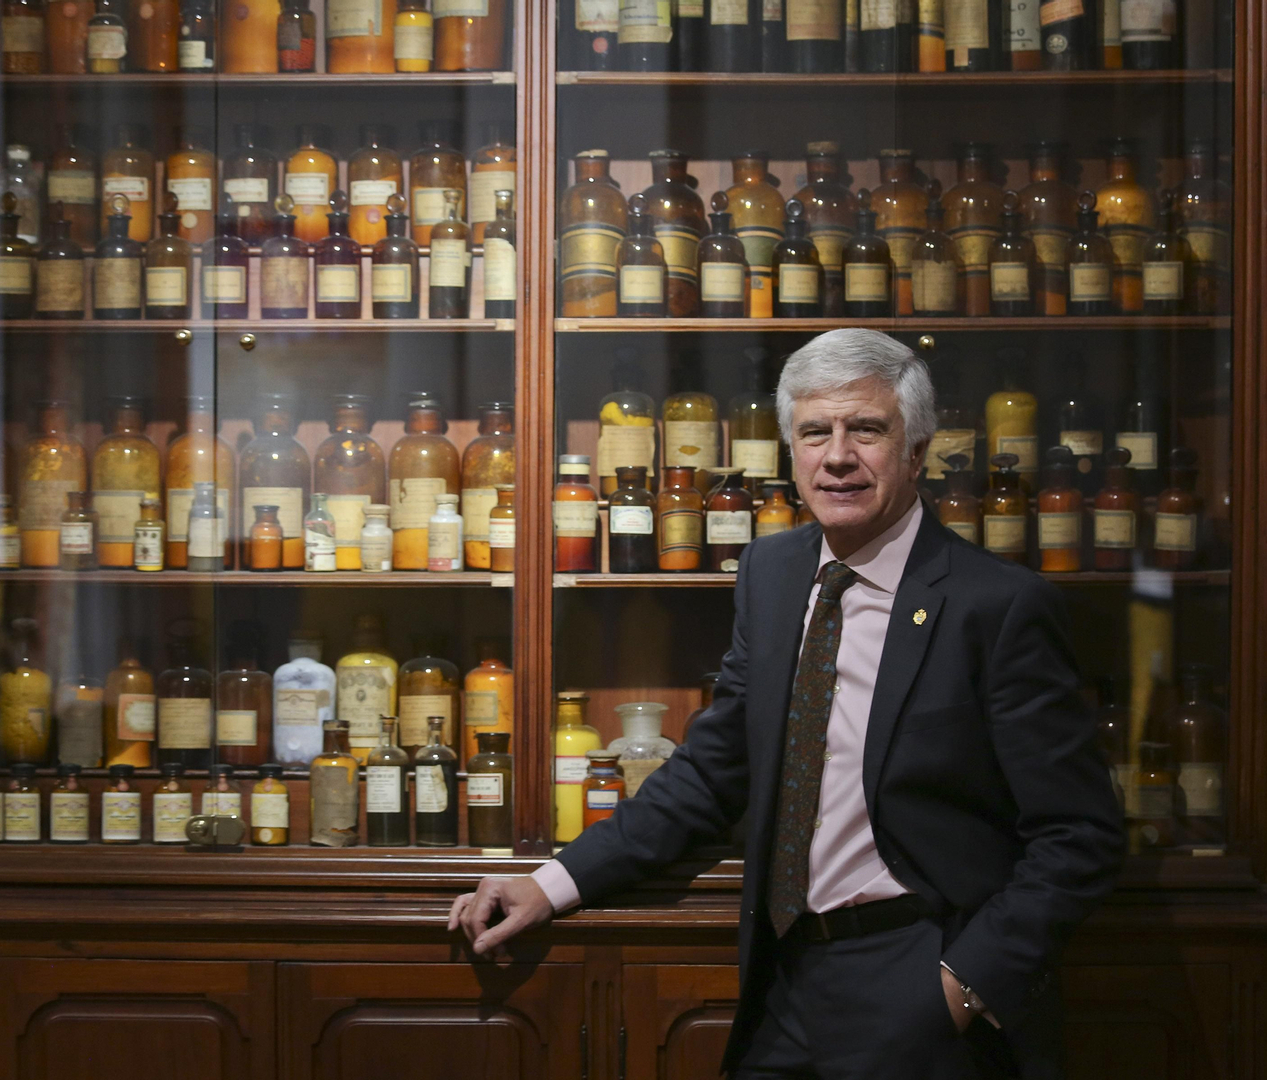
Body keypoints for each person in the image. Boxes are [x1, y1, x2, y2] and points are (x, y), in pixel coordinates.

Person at [448, 329, 1124, 1078]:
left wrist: (962, 984)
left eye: (866, 429)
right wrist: (549, 884)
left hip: (919, 980)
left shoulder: (997, 606)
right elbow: (710, 769)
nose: (838, 455)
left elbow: (1079, 833)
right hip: (782, 978)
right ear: (792, 451)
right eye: (815, 432)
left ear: (918, 449)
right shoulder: (771, 571)